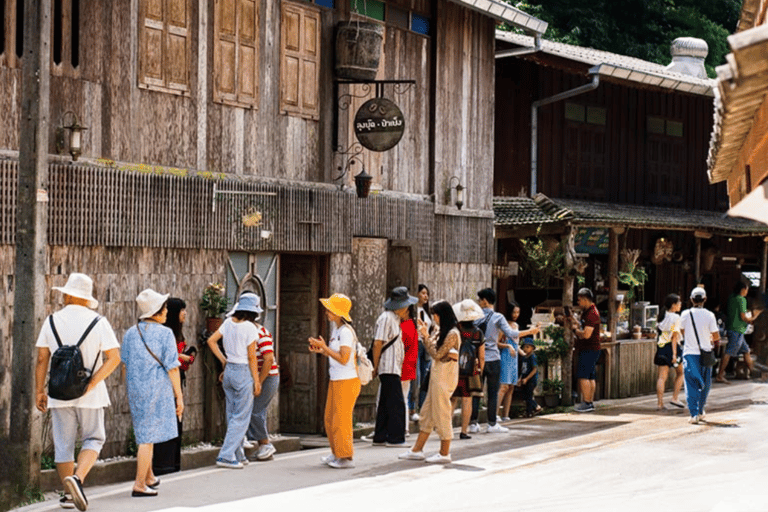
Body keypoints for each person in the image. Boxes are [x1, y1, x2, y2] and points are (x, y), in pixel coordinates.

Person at [34, 273, 121, 511]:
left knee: (63, 443)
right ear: (86, 297)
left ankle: (67, 494)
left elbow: (42, 358)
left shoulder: (52, 320)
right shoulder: (98, 321)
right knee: (94, 438)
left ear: (70, 294)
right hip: (90, 393)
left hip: (59, 391)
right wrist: (92, 383)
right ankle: (78, 479)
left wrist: (39, 391)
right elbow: (114, 358)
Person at [122, 289, 184, 497]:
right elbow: (173, 367)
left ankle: (149, 476)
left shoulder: (131, 332)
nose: (167, 310)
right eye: (164, 307)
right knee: (148, 437)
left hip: (136, 389)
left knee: (144, 432)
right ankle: (139, 484)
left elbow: (125, 364)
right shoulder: (166, 333)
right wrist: (179, 397)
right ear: (157, 311)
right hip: (157, 388)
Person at [399, 300, 460, 463]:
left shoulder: (453, 333)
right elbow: (433, 348)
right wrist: (426, 334)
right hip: (437, 376)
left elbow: (437, 353)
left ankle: (445, 452)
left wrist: (426, 336)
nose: (434, 317)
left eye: (435, 314)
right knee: (426, 414)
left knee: (442, 414)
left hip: (444, 378)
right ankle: (417, 449)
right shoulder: (442, 331)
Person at [206, 294, 262, 469]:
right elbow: (252, 357)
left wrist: (224, 361)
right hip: (243, 371)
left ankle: (238, 454)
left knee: (232, 415)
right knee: (241, 417)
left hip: (229, 370)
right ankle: (226, 455)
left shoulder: (228, 322)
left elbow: (211, 341)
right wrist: (257, 380)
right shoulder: (250, 328)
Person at [471, 288, 539, 432]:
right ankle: (492, 423)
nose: (478, 302)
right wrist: (530, 332)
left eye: (479, 300)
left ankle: (473, 423)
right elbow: (511, 333)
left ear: (484, 301)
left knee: (477, 391)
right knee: (493, 391)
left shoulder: (475, 317)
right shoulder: (498, 317)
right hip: (494, 357)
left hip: (478, 357)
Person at [309, 293, 362, 469]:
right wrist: (322, 349)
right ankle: (336, 452)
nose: (326, 312)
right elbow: (336, 355)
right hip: (337, 378)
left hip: (347, 380)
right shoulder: (336, 330)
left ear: (338, 313)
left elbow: (344, 358)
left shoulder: (345, 332)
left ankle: (345, 457)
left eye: (330, 309)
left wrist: (325, 348)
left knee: (341, 420)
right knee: (330, 418)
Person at [153, 298, 195, 476]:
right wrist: (182, 357)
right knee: (169, 422)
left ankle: (172, 463)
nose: (184, 313)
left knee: (175, 423)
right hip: (167, 383)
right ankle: (165, 464)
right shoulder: (166, 333)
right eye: (181, 310)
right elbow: (168, 359)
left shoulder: (175, 332)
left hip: (175, 380)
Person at [371, 286, 416, 447]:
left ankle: (380, 435)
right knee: (396, 403)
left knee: (385, 402)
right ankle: (395, 437)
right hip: (387, 367)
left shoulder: (395, 319)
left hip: (392, 367)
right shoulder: (387, 318)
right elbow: (378, 343)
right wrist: (375, 366)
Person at [242, 293, 280, 462]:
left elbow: (269, 359)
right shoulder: (246, 331)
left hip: (268, 376)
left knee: (255, 410)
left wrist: (259, 381)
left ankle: (265, 444)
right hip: (256, 376)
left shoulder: (260, 332)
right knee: (253, 410)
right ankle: (259, 443)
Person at [680, 287, 720, 424]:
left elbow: (681, 331)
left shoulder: (685, 314)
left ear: (691, 300)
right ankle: (701, 410)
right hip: (706, 353)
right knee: (705, 383)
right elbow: (716, 336)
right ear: (705, 299)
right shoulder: (710, 315)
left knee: (691, 382)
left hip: (690, 353)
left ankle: (694, 413)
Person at [451, 299, 485, 439]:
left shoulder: (456, 331)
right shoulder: (478, 333)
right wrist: (479, 371)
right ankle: (464, 431)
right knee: (467, 400)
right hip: (471, 372)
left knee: (452, 400)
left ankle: (446, 430)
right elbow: (482, 357)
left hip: (455, 370)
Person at [717, 281, 763, 384]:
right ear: (743, 290)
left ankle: (753, 373)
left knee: (746, 351)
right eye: (746, 289)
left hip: (733, 328)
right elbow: (743, 317)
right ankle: (720, 375)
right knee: (729, 352)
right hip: (737, 329)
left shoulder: (732, 298)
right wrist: (755, 316)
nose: (747, 292)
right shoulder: (741, 300)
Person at [568, 288, 601, 413]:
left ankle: (587, 402)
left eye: (580, 299)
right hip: (592, 348)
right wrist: (574, 321)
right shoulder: (587, 311)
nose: (578, 302)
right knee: (590, 376)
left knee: (583, 376)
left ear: (585, 299)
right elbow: (583, 325)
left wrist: (575, 331)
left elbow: (586, 334)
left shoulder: (592, 313)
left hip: (589, 348)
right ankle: (590, 402)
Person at [655, 294, 685, 410]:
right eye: (679, 303)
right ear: (673, 305)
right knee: (681, 373)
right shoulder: (676, 318)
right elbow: (674, 337)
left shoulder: (662, 316)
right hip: (673, 349)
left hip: (661, 347)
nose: (680, 305)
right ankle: (675, 398)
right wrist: (674, 354)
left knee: (661, 377)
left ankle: (660, 403)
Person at [498, 302, 523, 421]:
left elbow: (516, 344)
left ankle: (505, 415)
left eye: (518, 312)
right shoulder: (504, 326)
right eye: (514, 312)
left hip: (514, 357)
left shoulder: (516, 325)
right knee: (503, 386)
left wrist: (523, 352)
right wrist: (508, 346)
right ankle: (495, 414)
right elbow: (496, 343)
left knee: (511, 387)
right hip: (505, 356)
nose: (516, 315)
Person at [413, 284, 432, 419]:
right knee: (416, 376)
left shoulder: (426, 311)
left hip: (426, 345)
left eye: (427, 293)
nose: (426, 296)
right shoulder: (414, 311)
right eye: (423, 293)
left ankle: (422, 407)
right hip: (416, 344)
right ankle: (412, 408)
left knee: (425, 376)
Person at [400, 305, 419, 438]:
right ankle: (404, 428)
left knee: (400, 398)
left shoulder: (404, 326)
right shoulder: (412, 325)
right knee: (404, 398)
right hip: (409, 365)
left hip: (402, 365)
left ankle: (403, 427)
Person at [517, 338, 542, 417]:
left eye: (528, 347)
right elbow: (522, 370)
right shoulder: (524, 357)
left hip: (531, 380)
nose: (525, 349)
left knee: (529, 395)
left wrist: (527, 378)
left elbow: (534, 369)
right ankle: (535, 407)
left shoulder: (532, 357)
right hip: (524, 379)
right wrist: (520, 379)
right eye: (524, 347)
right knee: (526, 395)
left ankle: (529, 412)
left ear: (532, 348)